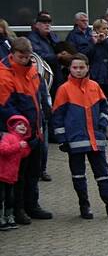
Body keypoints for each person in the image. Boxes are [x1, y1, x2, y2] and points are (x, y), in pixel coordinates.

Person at [52, 54, 108, 219]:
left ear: (88, 68)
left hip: (96, 138)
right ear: (70, 68)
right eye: (75, 67)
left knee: (103, 173)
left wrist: (102, 126)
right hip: (75, 140)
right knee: (78, 175)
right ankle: (84, 205)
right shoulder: (64, 89)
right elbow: (57, 116)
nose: (79, 71)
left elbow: (104, 107)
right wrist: (62, 139)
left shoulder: (94, 86)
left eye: (82, 67)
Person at [0, 37, 53, 224]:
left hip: (36, 128)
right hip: (17, 134)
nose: (25, 60)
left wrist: (45, 116)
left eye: (27, 56)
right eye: (21, 57)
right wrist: (21, 127)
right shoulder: (4, 74)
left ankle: (32, 205)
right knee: (18, 174)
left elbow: (40, 95)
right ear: (12, 54)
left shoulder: (32, 69)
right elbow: (6, 107)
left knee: (33, 171)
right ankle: (18, 208)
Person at [0, 115, 31, 230]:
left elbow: (23, 155)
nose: (23, 126)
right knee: (1, 197)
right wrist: (18, 146)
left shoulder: (22, 141)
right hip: (2, 173)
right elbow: (3, 150)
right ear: (13, 126)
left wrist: (26, 147)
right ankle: (1, 218)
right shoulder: (8, 137)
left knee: (10, 197)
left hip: (11, 175)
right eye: (19, 124)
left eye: (25, 125)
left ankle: (9, 216)